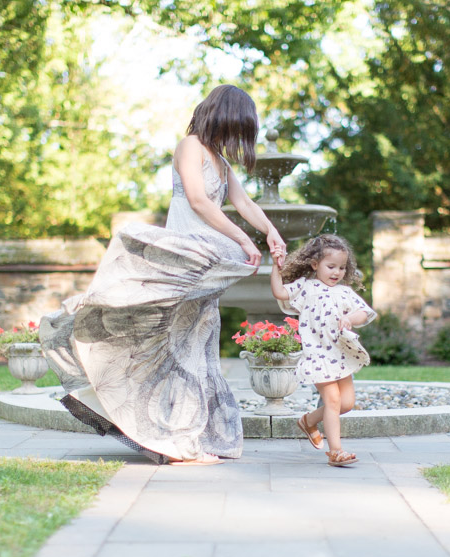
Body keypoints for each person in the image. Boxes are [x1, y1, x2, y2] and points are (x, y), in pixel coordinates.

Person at [40, 85, 286, 466]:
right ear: (220, 116)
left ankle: (185, 440)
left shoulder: (221, 162)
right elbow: (198, 199)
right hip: (183, 259)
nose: (238, 138)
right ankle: (179, 443)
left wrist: (270, 232)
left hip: (203, 270)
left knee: (198, 353)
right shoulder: (191, 146)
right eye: (237, 127)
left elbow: (244, 202)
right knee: (179, 351)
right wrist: (242, 238)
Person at [270, 234, 376, 467]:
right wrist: (276, 267)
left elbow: (363, 312)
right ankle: (336, 452)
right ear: (315, 264)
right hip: (317, 354)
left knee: (346, 403)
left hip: (340, 353)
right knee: (333, 400)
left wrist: (350, 318)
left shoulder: (344, 292)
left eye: (341, 267)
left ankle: (308, 422)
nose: (336, 272)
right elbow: (280, 293)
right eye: (331, 266)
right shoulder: (306, 288)